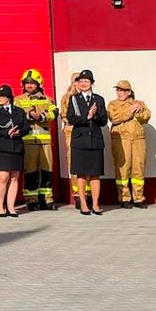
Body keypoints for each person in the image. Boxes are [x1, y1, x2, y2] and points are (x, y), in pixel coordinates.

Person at [65, 70, 108, 216]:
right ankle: (83, 203)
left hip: (95, 140)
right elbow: (71, 118)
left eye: (86, 81)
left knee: (95, 174)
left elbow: (104, 121)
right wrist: (87, 116)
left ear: (92, 83)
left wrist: (95, 116)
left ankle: (95, 204)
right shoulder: (74, 99)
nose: (83, 84)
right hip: (80, 140)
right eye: (81, 81)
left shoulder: (99, 99)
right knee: (81, 174)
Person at [15, 71, 57, 210]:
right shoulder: (18, 100)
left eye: (32, 83)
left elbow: (55, 113)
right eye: (27, 83)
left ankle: (47, 199)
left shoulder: (47, 99)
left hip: (44, 141)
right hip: (28, 141)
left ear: (39, 84)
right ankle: (31, 200)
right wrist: (29, 115)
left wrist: (41, 117)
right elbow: (15, 116)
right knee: (30, 171)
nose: (29, 86)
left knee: (47, 170)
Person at [0, 84, 28, 217]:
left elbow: (26, 127)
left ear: (9, 98)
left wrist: (18, 132)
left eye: (2, 96)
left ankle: (11, 207)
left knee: (14, 178)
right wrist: (7, 132)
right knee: (3, 177)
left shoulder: (19, 111)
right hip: (0, 147)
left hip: (16, 147)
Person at [107, 81, 151, 209]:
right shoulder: (113, 104)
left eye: (123, 90)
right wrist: (130, 111)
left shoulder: (139, 103)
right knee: (122, 168)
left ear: (129, 92)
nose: (120, 93)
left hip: (138, 139)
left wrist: (138, 111)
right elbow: (114, 118)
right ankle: (124, 198)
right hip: (121, 139)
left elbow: (146, 118)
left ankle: (138, 198)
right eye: (118, 90)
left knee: (139, 168)